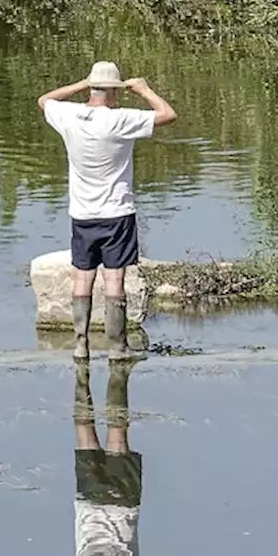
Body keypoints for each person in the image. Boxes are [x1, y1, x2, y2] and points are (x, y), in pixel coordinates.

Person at [39, 62, 177, 360]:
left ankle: (80, 344)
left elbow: (44, 100)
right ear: (115, 91)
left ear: (91, 88)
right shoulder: (120, 120)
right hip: (116, 211)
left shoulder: (69, 115)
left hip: (82, 213)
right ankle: (117, 347)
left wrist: (80, 83)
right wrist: (143, 90)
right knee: (114, 279)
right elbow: (168, 114)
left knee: (82, 276)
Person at [73, 357, 144, 556]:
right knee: (85, 437)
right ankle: (80, 369)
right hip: (89, 506)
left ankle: (118, 370)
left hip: (122, 508)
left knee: (117, 435)